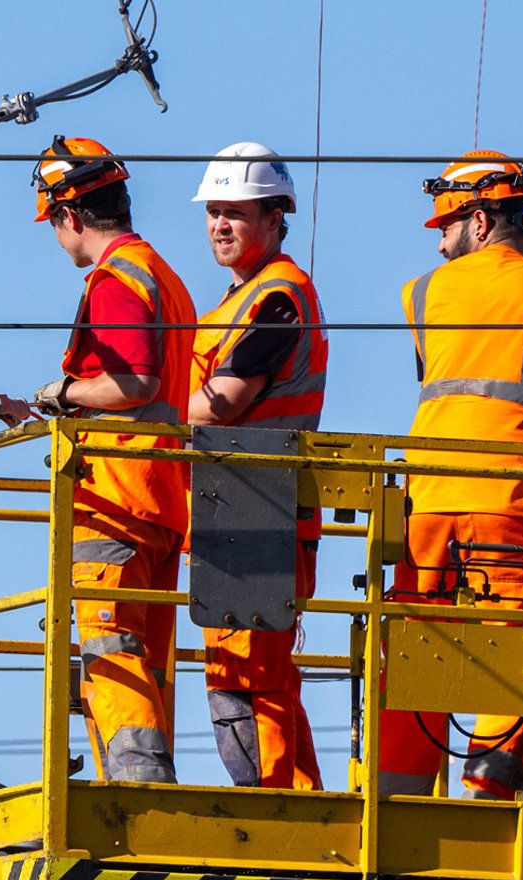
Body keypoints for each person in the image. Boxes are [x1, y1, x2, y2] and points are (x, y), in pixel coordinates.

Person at [378, 150, 523, 800]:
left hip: (425, 502)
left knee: (419, 640)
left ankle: (398, 799)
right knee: (516, 643)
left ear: (478, 220)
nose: (440, 241)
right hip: (513, 502)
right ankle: (487, 790)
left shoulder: (420, 293)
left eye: (445, 225)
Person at [0, 134, 198, 783]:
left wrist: (59, 393)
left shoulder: (114, 280)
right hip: (163, 498)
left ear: (70, 217)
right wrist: (51, 412)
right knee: (144, 658)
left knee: (109, 649)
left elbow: (132, 384)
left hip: (115, 497)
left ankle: (140, 793)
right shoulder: (166, 278)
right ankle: (135, 780)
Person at [184, 142, 330, 791]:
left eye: (235, 213)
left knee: (248, 680)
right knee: (256, 675)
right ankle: (300, 806)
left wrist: (147, 415)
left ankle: (277, 810)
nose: (220, 225)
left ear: (275, 217)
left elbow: (224, 402)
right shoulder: (237, 302)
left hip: (258, 509)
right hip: (235, 508)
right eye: (214, 211)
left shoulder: (277, 299)